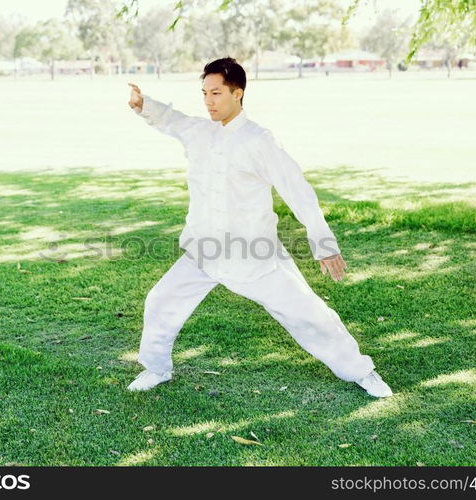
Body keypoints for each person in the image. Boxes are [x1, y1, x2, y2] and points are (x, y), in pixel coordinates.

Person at [126, 57, 392, 398]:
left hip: (254, 254)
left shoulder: (258, 141)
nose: (208, 101)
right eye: (204, 93)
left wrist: (323, 244)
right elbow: (171, 120)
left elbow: (297, 189)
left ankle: (362, 371)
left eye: (217, 93)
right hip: (204, 250)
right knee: (161, 300)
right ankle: (156, 368)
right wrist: (143, 104)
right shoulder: (199, 132)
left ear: (238, 93)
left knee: (308, 314)